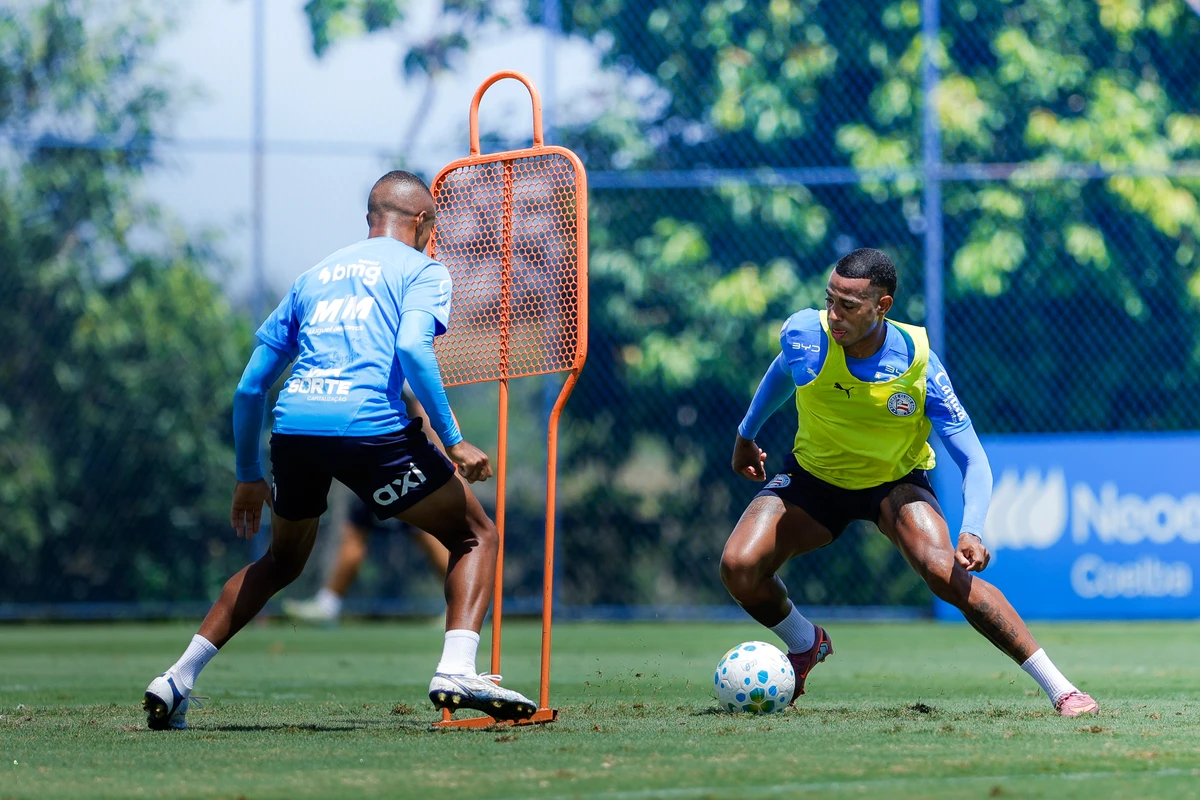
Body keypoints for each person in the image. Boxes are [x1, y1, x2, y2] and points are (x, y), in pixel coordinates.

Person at [143, 170, 537, 730]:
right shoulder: (424, 270)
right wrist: (453, 440)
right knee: (475, 534)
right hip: (369, 429)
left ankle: (176, 678)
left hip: (295, 429)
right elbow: (412, 349)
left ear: (371, 217)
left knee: (281, 561)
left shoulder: (315, 275)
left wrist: (249, 473)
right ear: (424, 222)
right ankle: (456, 669)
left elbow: (251, 386)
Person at [723, 248, 1098, 717]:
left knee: (946, 573)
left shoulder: (918, 364)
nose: (833, 315)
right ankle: (805, 643)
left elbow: (974, 459)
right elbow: (784, 370)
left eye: (849, 306)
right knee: (738, 567)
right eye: (830, 300)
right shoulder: (804, 333)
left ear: (883, 306)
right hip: (814, 478)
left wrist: (974, 529)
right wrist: (746, 433)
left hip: (894, 484)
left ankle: (1062, 690)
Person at [282, 386, 450, 627]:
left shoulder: (399, 353)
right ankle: (328, 604)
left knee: (423, 531)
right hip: (372, 457)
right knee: (356, 529)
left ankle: (463, 600)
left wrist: (444, 455)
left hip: (400, 458)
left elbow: (423, 407)